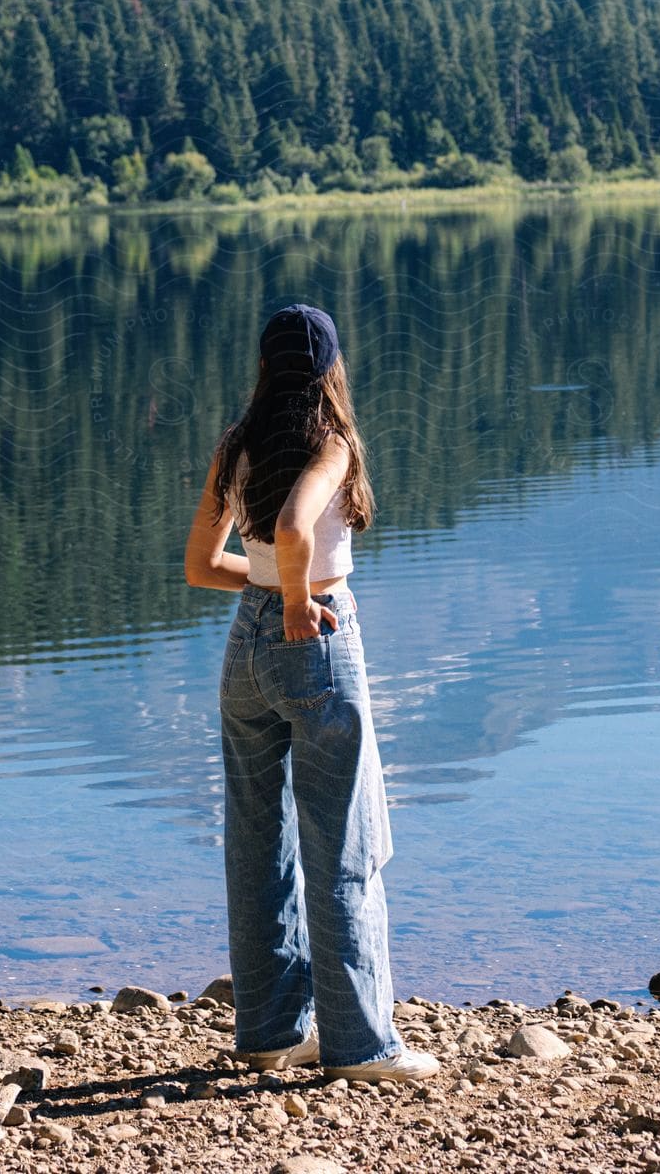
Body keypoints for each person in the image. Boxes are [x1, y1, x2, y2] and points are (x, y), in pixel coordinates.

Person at [184, 302, 440, 1082]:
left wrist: (267, 590)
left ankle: (268, 1031)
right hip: (314, 641)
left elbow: (201, 564)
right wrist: (296, 600)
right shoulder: (333, 443)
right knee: (343, 842)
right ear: (330, 370)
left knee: (257, 846)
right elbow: (297, 528)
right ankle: (362, 1046)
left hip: (244, 652)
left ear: (265, 369)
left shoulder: (236, 447)